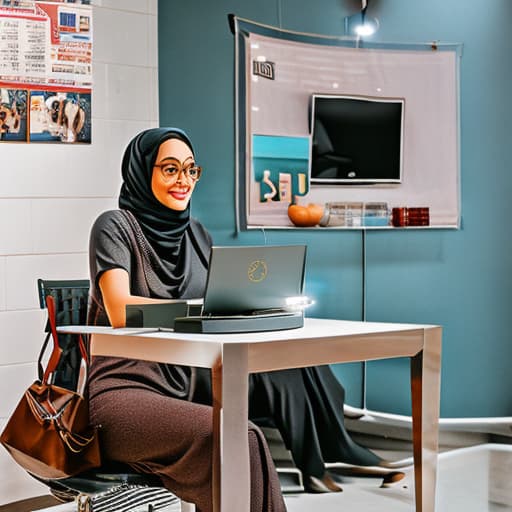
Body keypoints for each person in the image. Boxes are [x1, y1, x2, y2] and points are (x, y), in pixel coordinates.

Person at [87, 128, 381, 510]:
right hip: (125, 392)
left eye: (191, 170)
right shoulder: (114, 227)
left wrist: (250, 306)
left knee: (289, 372)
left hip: (193, 382)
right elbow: (120, 310)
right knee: (240, 438)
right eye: (171, 169)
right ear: (144, 172)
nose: (183, 181)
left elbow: (218, 304)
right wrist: (197, 310)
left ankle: (333, 450)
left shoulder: (196, 234)